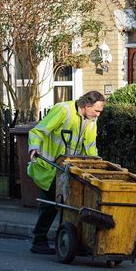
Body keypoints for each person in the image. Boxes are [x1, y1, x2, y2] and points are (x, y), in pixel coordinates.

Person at [27, 91, 105, 254]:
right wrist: (33, 147)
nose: (98, 115)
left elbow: (90, 147)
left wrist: (96, 166)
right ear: (86, 106)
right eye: (96, 111)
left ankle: (71, 240)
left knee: (70, 204)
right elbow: (39, 131)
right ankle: (39, 240)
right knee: (51, 205)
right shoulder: (64, 110)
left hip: (68, 170)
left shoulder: (91, 121)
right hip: (49, 168)